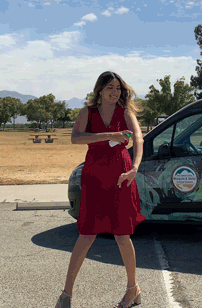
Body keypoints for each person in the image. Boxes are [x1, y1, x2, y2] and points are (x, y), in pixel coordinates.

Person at [55, 71, 146, 308]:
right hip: (94, 177)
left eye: (117, 88)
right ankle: (66, 294)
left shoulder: (125, 112)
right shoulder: (88, 112)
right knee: (86, 233)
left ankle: (132, 289)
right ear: (99, 90)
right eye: (110, 88)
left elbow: (139, 139)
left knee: (121, 234)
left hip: (120, 177)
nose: (115, 92)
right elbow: (76, 138)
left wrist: (134, 168)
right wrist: (110, 135)